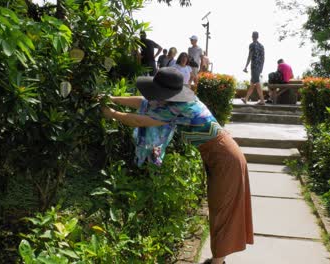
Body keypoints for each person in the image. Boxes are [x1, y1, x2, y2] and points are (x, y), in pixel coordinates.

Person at [101, 67, 254, 264]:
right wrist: (113, 98)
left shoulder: (179, 108)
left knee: (222, 211)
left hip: (225, 159)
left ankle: (217, 263)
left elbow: (139, 120)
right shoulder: (175, 101)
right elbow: (143, 102)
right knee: (219, 208)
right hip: (219, 155)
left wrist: (112, 114)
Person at [242, 31, 265, 105]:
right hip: (258, 67)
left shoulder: (251, 45)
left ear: (252, 36)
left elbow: (250, 56)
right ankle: (246, 99)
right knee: (252, 83)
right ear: (258, 37)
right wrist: (261, 67)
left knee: (257, 83)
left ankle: (262, 100)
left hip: (254, 67)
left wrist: (246, 66)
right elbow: (263, 58)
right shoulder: (261, 46)